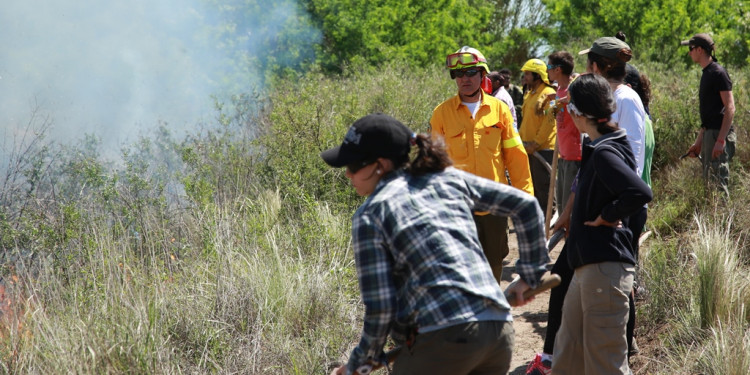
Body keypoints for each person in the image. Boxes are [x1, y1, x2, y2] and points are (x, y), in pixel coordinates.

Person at [324, 113, 550, 375]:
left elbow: (381, 307)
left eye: (352, 165)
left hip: (442, 340)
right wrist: (529, 276)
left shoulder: (370, 214)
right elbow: (524, 204)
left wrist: (357, 365)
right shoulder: (448, 180)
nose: (348, 173)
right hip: (497, 330)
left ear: (380, 165)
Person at [551, 74, 652, 375]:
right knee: (567, 354)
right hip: (587, 268)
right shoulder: (601, 144)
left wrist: (608, 214)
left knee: (605, 364)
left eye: (570, 107)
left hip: (605, 270)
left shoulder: (606, 152)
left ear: (579, 114)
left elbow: (640, 192)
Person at [431, 46, 534, 284]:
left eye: (470, 72)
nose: (464, 78)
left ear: (482, 74)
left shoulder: (500, 110)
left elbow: (515, 157)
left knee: (494, 264)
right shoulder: (442, 114)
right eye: (459, 74)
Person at [524, 52, 580, 375]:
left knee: (566, 213)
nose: (546, 71)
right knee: (561, 211)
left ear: (557, 70)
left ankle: (568, 253)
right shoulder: (553, 94)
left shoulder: (570, 91)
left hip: (573, 158)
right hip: (564, 157)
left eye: (549, 67)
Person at [681, 33, 736, 196]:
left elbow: (730, 108)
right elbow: (710, 114)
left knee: (718, 185)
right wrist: (699, 142)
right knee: (709, 184)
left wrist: (720, 140)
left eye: (691, 49)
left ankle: (723, 221)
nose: (689, 53)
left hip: (719, 135)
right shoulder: (707, 73)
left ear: (699, 50)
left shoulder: (718, 72)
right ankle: (713, 220)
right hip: (710, 134)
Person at [519, 58, 557, 214]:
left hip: (543, 149)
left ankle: (550, 219)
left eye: (528, 74)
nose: (525, 77)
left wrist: (535, 143)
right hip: (528, 148)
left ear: (538, 75)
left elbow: (550, 122)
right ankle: (538, 218)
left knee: (544, 188)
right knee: (532, 186)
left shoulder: (549, 95)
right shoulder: (530, 94)